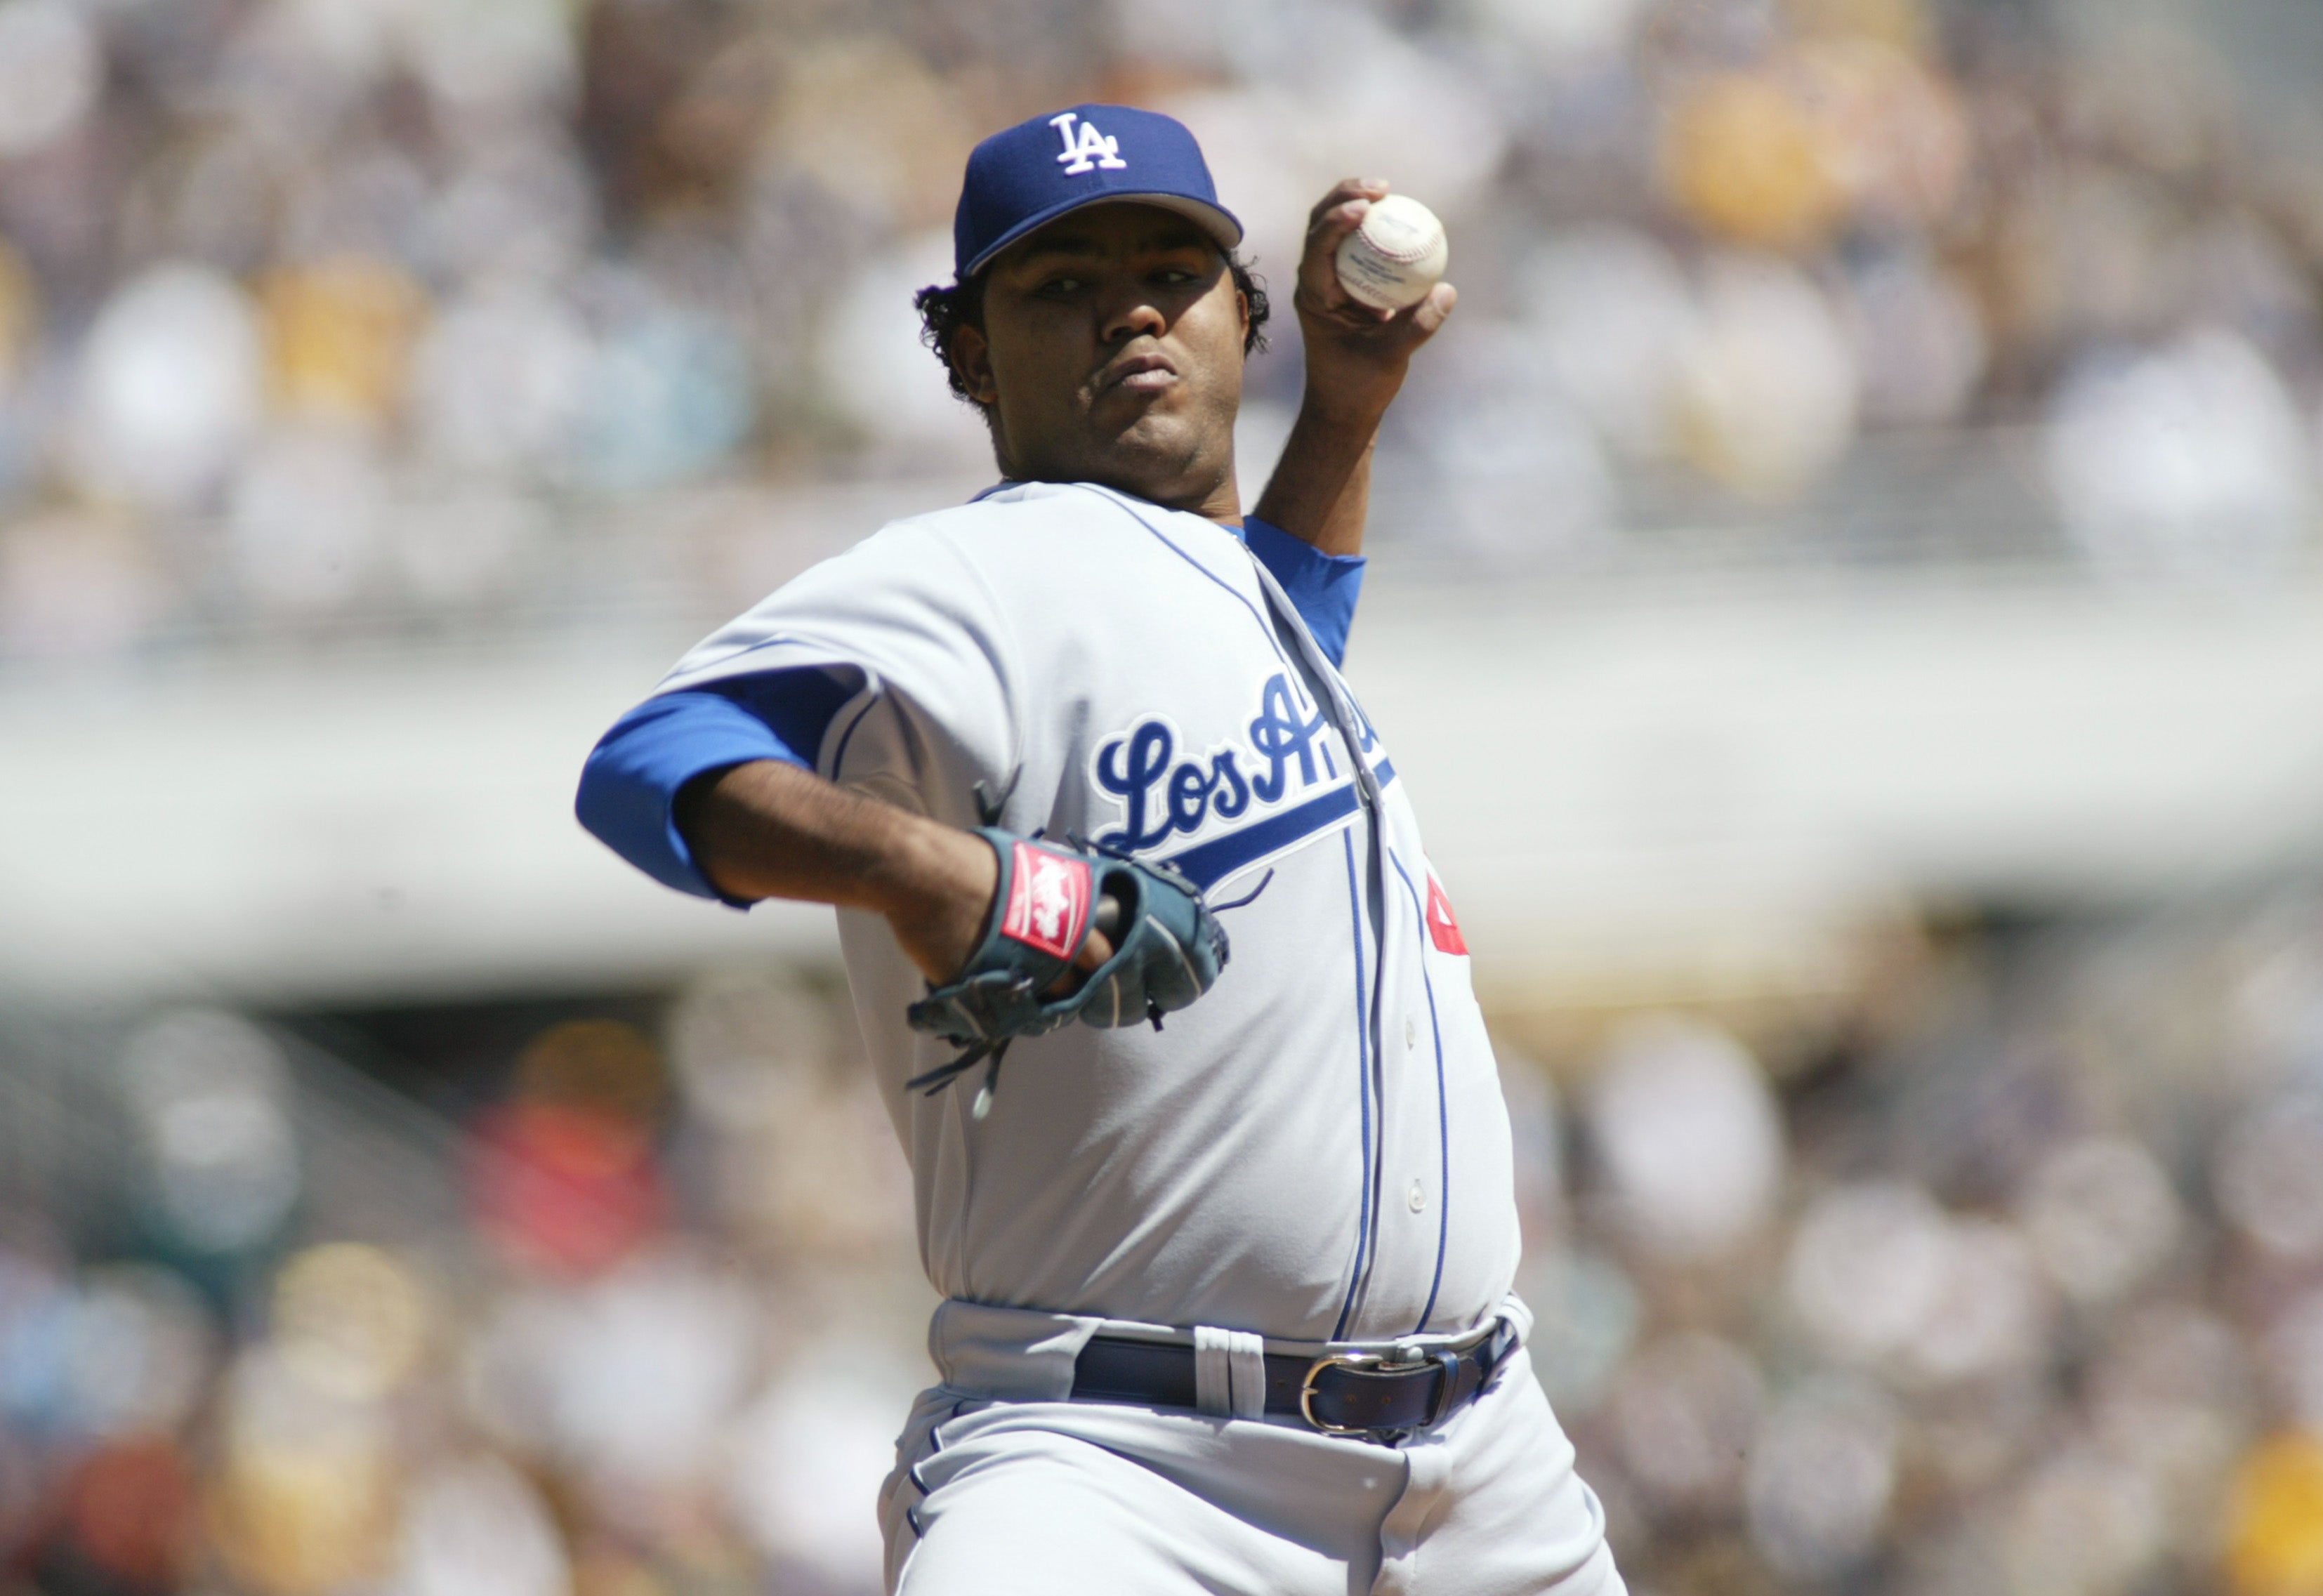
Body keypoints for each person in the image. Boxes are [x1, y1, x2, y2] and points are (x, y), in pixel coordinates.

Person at [576, 104, 1621, 1596]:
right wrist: (948, 876)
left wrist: (1345, 405)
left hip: (1481, 1472)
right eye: (1059, 285)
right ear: (971, 357)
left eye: (1169, 272)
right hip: (1122, 1475)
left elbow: (1274, 639)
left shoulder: (1214, 584)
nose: (1128, 307)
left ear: (1236, 319)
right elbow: (646, 768)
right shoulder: (974, 574)